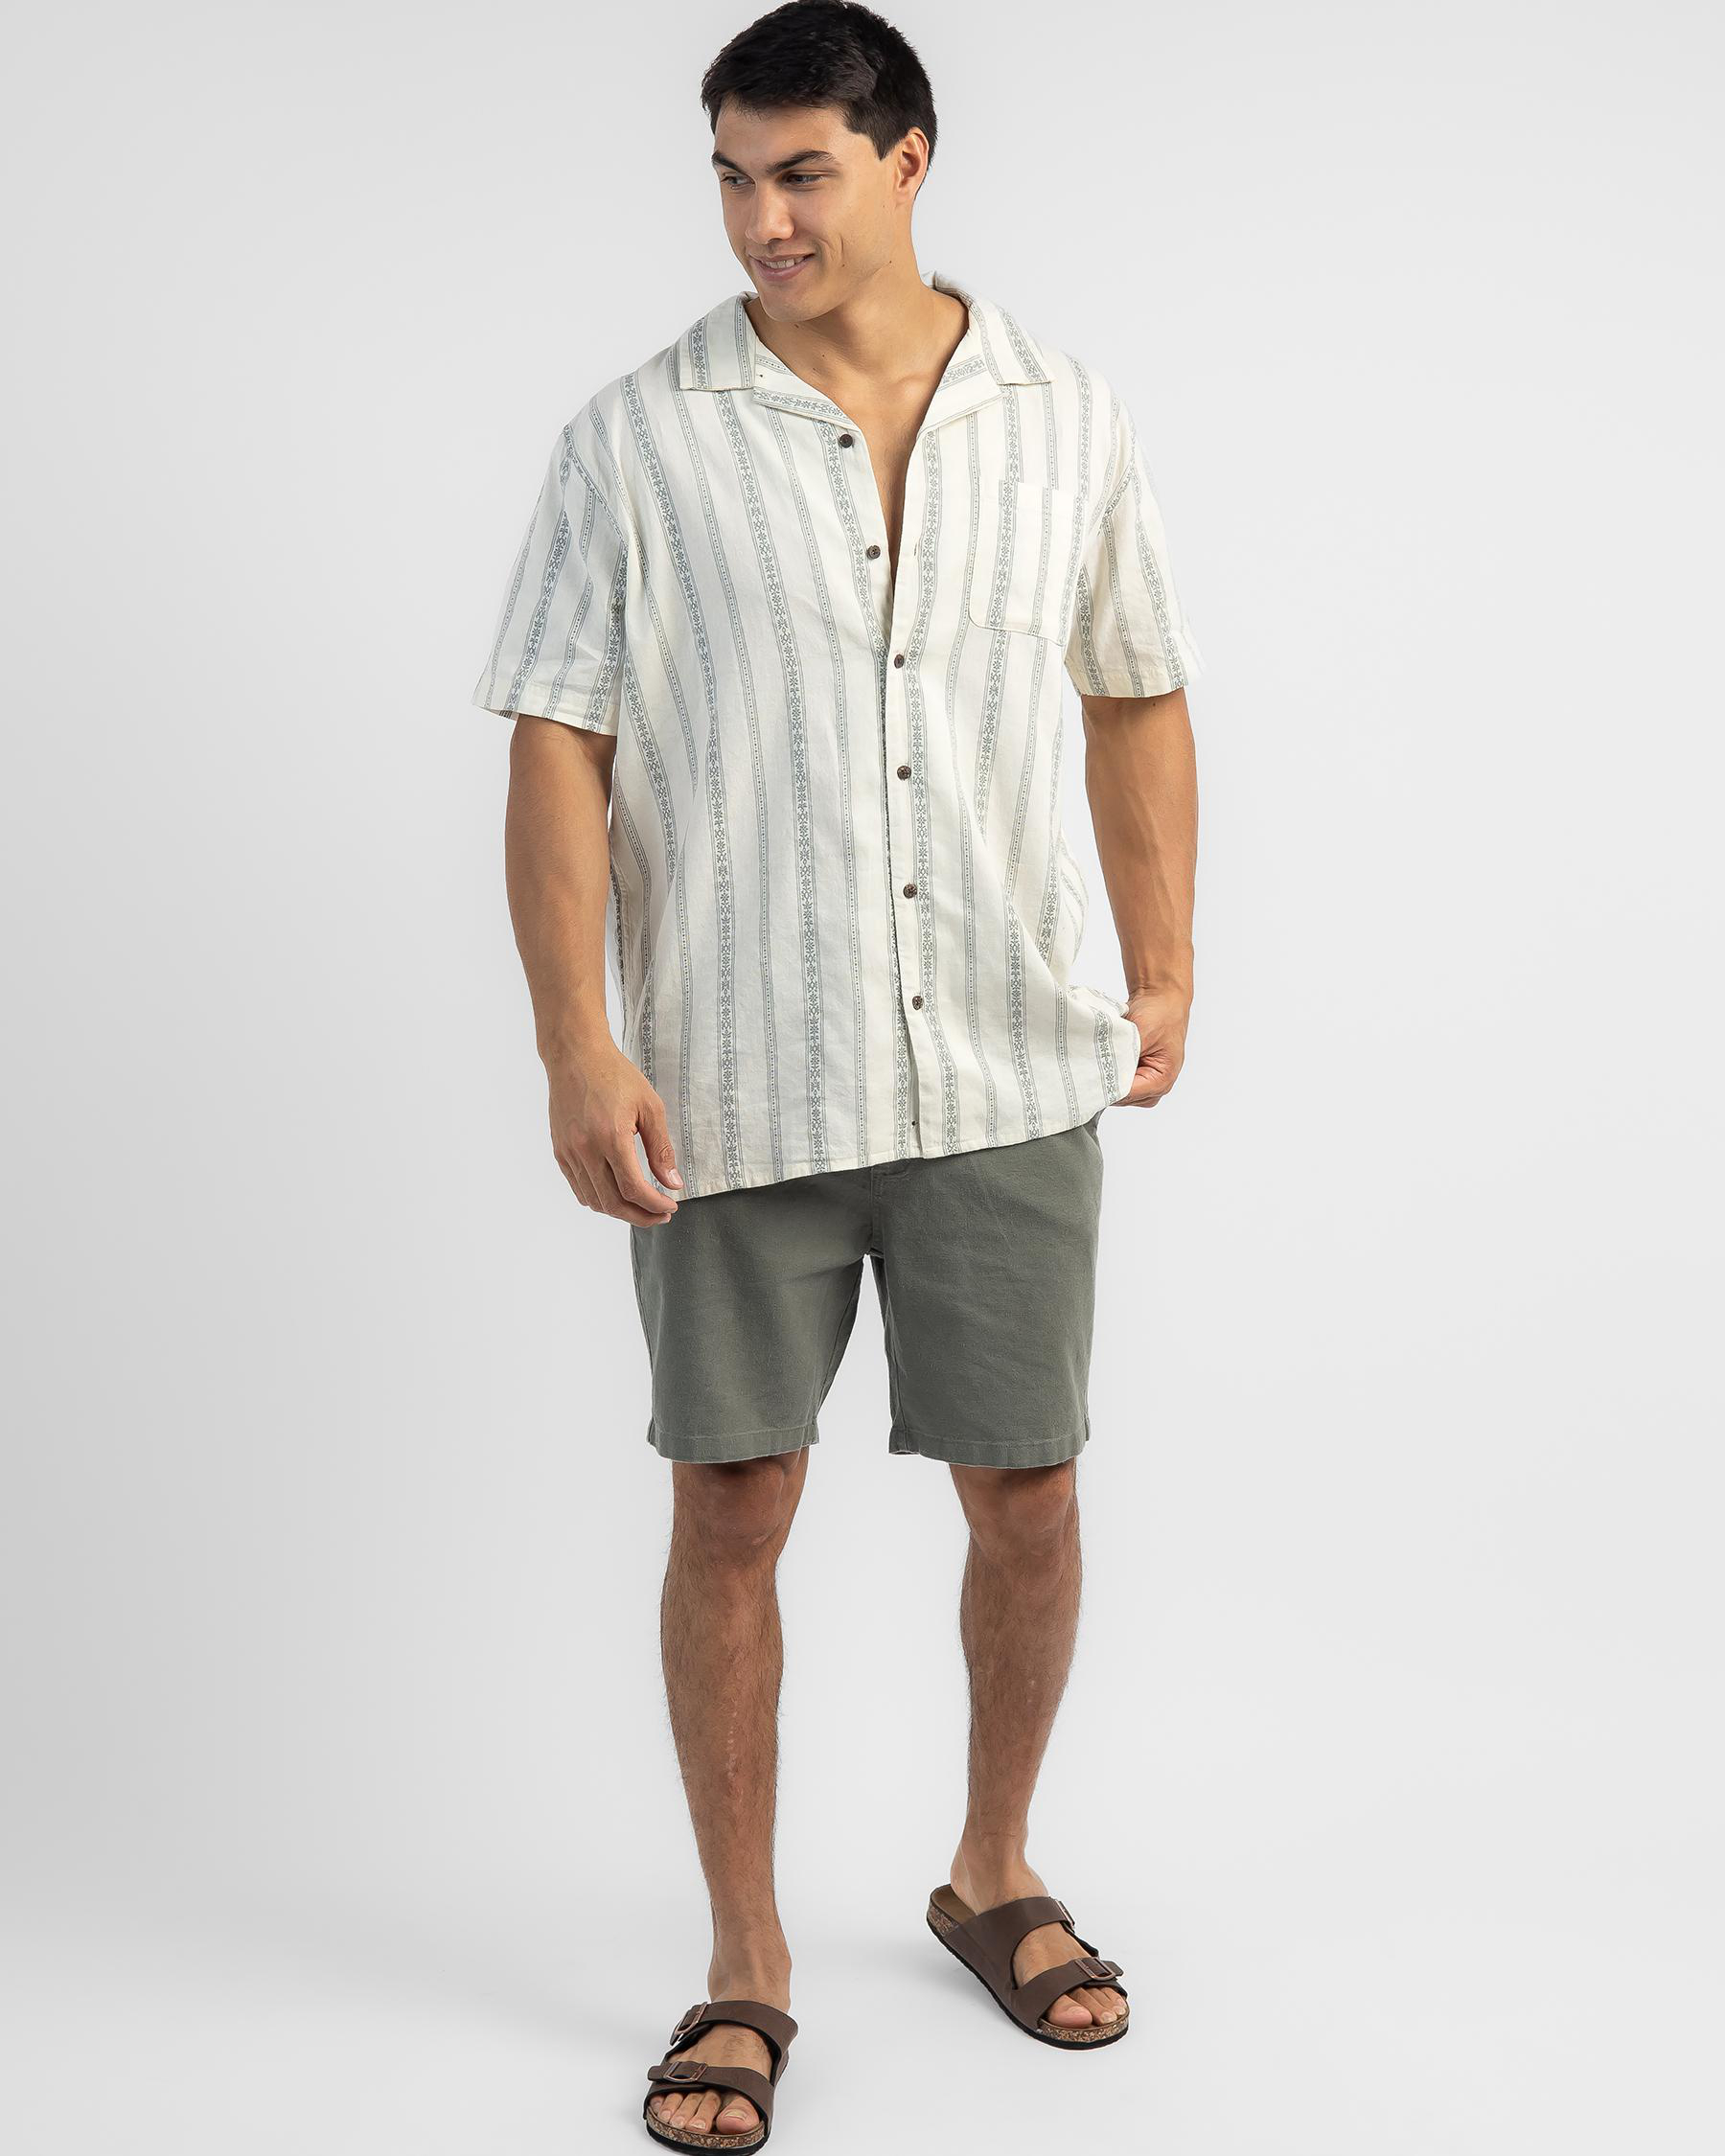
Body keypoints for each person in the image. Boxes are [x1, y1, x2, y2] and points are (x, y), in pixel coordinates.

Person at [469, 4, 1205, 2144]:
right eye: (730, 174)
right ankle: (745, 1962)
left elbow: (1136, 690)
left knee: (1030, 1488)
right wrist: (576, 1035)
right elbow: (558, 740)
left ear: (906, 161)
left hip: (1005, 1057)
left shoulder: (1064, 415)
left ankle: (995, 1871)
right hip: (738, 1067)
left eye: (799, 171)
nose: (759, 218)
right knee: (731, 1503)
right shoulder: (637, 439)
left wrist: (1164, 957)